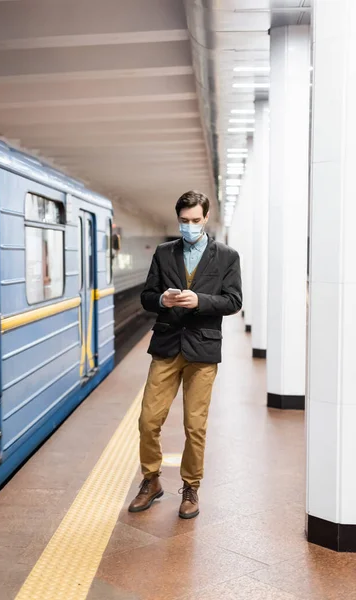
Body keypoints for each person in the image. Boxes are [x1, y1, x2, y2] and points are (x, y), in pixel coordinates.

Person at [128, 190, 242, 519]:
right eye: (183, 221)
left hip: (203, 348)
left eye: (195, 221)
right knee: (148, 421)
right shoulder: (164, 254)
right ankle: (151, 481)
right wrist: (162, 299)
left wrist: (201, 301)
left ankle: (191, 487)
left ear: (206, 218)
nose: (189, 226)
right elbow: (147, 296)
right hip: (166, 345)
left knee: (195, 425)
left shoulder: (226, 257)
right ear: (177, 219)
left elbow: (234, 301)